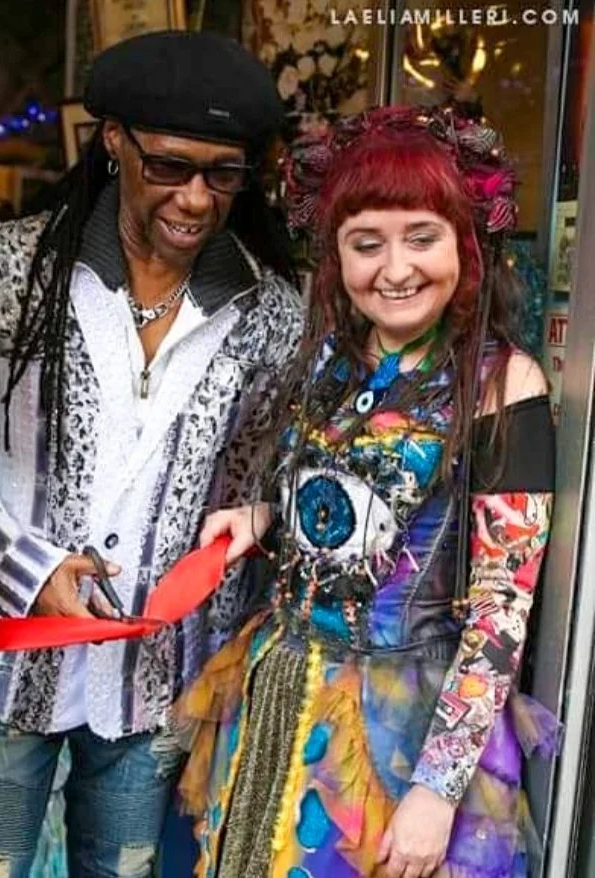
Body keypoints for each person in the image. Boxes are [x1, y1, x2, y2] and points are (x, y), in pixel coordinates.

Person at [0, 30, 303, 878]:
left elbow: (255, 481)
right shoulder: (9, 272)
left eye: (223, 174)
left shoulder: (271, 314)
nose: (196, 199)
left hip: (154, 683)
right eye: (169, 166)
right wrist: (29, 571)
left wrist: (258, 525)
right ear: (114, 143)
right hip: (7, 661)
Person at [176, 105, 557, 878]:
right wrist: (263, 517)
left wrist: (436, 792)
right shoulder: (331, 360)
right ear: (337, 255)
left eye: (421, 237)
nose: (395, 268)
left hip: (401, 729)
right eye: (367, 243)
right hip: (279, 696)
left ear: (465, 244)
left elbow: (500, 614)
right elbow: (344, 510)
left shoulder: (504, 383)